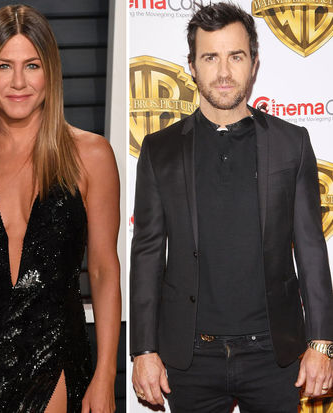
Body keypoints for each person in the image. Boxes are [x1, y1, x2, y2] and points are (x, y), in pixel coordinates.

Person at [130, 3, 333, 412]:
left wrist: (323, 343)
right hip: (190, 359)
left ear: (254, 63)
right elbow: (147, 254)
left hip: (274, 355)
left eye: (235, 56)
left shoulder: (291, 143)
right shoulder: (159, 150)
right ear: (192, 66)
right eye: (210, 58)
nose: (223, 72)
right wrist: (144, 350)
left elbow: (312, 248)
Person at [0, 4, 121, 413]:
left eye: (31, 65)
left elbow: (103, 271)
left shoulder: (91, 156)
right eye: (3, 66)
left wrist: (105, 376)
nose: (18, 82)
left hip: (54, 350)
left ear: (50, 72)